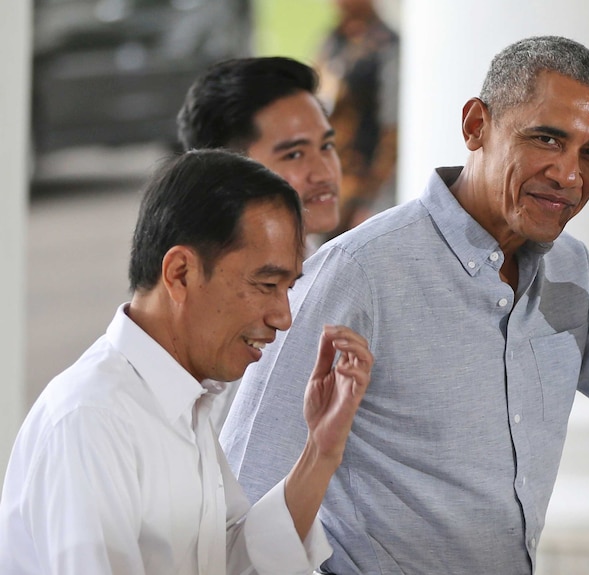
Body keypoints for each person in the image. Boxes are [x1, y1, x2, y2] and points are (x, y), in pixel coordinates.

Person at [221, 35, 589, 574]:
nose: (569, 175)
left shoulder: (574, 276)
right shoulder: (358, 272)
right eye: (546, 139)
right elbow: (248, 493)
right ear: (476, 125)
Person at [0, 150, 373, 575]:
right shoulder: (91, 419)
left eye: (288, 288)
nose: (283, 317)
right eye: (267, 284)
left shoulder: (182, 399)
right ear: (180, 273)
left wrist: (321, 451)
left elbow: (231, 559)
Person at [177, 56, 342, 253]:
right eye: (294, 155)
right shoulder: (214, 280)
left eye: (327, 146)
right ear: (225, 176)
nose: (325, 174)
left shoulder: (316, 263)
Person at [315, 0, 399, 237]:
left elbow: (392, 131)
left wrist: (373, 203)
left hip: (363, 190)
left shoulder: (386, 46)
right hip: (330, 178)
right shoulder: (332, 41)